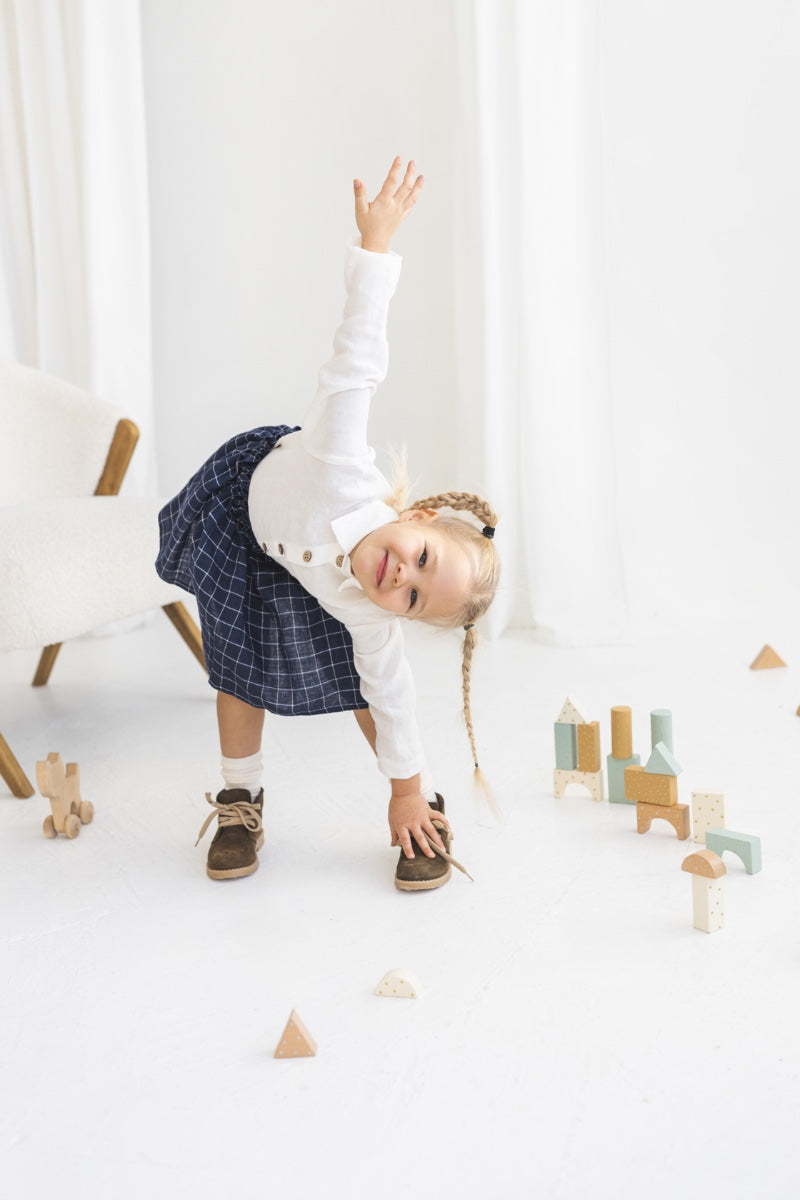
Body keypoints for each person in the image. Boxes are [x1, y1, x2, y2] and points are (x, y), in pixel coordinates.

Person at [156, 157, 500, 891]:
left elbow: (394, 690)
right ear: (417, 516)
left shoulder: (367, 608)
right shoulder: (341, 457)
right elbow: (360, 356)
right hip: (246, 521)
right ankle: (240, 800)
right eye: (420, 560)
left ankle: (418, 803)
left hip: (310, 574)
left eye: (412, 598)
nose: (401, 579)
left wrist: (403, 783)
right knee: (238, 674)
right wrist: (377, 246)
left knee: (365, 685)